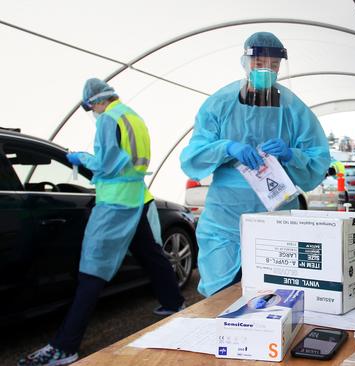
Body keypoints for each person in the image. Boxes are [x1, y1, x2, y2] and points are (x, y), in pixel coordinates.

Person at [18, 79, 185, 366]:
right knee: (150, 253)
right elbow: (132, 161)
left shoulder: (108, 119)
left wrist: (80, 157)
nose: (91, 111)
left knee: (92, 269)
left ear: (96, 100)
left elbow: (106, 164)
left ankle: (65, 345)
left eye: (89, 107)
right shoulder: (134, 116)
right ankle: (174, 302)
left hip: (114, 201)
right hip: (136, 198)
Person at [180, 32, 330, 297]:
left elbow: (318, 158)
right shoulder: (220, 104)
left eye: (273, 66)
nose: (267, 70)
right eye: (260, 64)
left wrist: (291, 155)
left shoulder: (293, 107)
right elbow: (192, 157)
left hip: (277, 218)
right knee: (221, 296)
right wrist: (226, 147)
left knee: (278, 296)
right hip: (225, 219)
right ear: (245, 62)